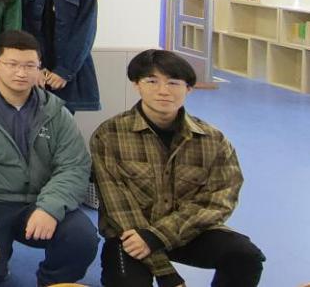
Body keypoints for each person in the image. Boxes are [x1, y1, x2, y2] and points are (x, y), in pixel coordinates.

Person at [92, 49, 265, 287]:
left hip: (188, 231)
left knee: (246, 257)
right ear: (136, 85)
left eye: (173, 83)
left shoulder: (213, 140)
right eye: (152, 81)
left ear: (189, 89)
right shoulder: (109, 135)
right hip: (130, 235)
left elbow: (219, 200)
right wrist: (167, 275)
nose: (163, 91)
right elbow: (118, 207)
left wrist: (158, 236)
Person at [0, 29, 97, 287]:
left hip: (41, 200)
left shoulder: (57, 113)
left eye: (30, 66)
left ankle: (53, 281)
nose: (21, 73)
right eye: (12, 64)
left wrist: (49, 207)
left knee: (82, 238)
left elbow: (74, 167)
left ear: (40, 67)